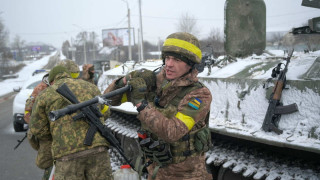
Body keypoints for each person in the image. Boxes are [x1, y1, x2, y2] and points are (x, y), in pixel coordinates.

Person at [104, 32, 213, 180]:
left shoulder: (199, 94)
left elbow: (173, 132)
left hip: (186, 176)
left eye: (176, 59)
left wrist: (141, 104)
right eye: (167, 58)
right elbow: (110, 100)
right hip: (155, 172)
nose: (169, 64)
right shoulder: (155, 82)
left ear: (190, 64)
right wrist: (126, 80)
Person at [29, 65, 112, 180]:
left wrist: (57, 132)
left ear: (52, 80)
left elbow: (37, 129)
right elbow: (105, 113)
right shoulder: (91, 87)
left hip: (66, 154)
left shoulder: (45, 95)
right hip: (98, 149)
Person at [25, 59, 81, 180]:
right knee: (49, 162)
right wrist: (43, 129)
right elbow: (29, 110)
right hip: (49, 133)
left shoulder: (75, 84)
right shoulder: (43, 87)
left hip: (70, 133)